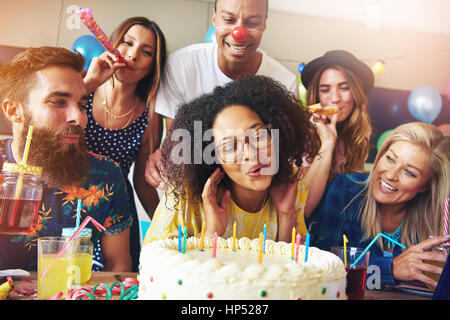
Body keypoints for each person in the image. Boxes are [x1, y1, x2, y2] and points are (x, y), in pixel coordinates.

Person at [0, 46, 132, 271]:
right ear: (13, 110)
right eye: (58, 102)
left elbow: (118, 267)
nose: (79, 118)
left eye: (82, 105)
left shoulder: (105, 175)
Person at [144, 75, 320, 243]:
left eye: (258, 136)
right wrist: (211, 233)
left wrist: (286, 215)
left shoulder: (291, 184)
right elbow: (152, 262)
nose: (251, 154)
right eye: (230, 147)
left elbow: (294, 271)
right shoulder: (187, 195)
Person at [145, 0, 297, 190]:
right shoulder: (181, 65)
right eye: (229, 19)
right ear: (215, 19)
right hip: (195, 190)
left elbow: (277, 158)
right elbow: (178, 144)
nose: (238, 33)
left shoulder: (284, 82)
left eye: (252, 23)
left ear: (264, 23)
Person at [309, 122, 450, 288]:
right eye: (390, 159)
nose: (391, 175)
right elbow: (321, 266)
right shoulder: (345, 190)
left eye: (409, 172)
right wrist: (390, 268)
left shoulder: (439, 219)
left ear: (425, 185)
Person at [82, 17, 167, 272]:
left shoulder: (150, 115)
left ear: (153, 66)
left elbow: (142, 180)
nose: (131, 55)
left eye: (146, 52)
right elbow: (50, 130)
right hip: (71, 202)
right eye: (127, 44)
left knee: (114, 285)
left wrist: (165, 226)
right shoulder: (82, 88)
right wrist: (89, 84)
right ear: (112, 44)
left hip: (115, 208)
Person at [300, 50, 374, 218]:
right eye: (325, 90)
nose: (335, 98)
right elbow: (303, 208)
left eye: (345, 88)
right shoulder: (301, 133)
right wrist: (327, 143)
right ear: (316, 95)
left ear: (356, 92)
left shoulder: (361, 132)